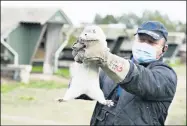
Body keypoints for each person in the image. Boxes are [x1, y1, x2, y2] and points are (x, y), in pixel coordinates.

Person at [71, 21, 177, 125]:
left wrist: (105, 57)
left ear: (164, 49)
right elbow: (84, 90)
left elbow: (138, 78)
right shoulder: (112, 67)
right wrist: (84, 65)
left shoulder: (166, 76)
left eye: (151, 42)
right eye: (141, 39)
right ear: (135, 40)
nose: (144, 45)